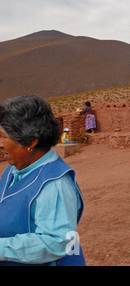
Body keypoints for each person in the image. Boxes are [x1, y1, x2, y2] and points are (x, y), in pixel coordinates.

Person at [0, 95, 85, 266]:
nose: (0, 143)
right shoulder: (14, 169)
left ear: (31, 141)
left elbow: (56, 242)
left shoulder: (54, 183)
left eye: (3, 137)